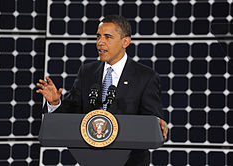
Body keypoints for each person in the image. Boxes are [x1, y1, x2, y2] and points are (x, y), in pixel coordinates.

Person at [37, 15, 168, 166]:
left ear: (125, 41)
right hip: (91, 159)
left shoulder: (146, 77)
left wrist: (157, 123)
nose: (100, 42)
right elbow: (72, 111)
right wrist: (55, 103)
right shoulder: (87, 72)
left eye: (108, 37)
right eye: (98, 37)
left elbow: (152, 122)